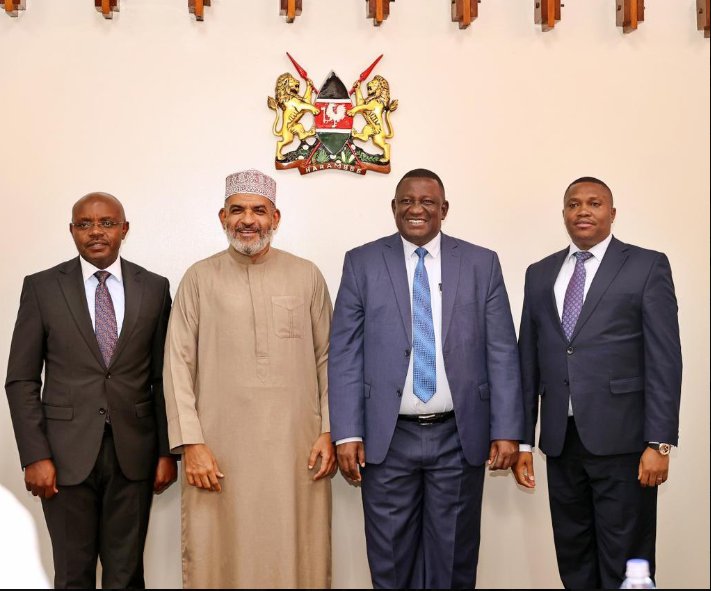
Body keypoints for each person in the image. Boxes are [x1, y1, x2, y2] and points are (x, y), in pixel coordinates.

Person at [329, 168, 523, 589]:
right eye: (407, 201)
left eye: (427, 202)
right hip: (385, 438)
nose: (416, 209)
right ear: (393, 207)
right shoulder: (362, 262)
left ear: (444, 209)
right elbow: (344, 352)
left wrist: (507, 430)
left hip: (459, 435)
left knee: (452, 562)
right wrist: (346, 433)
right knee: (390, 561)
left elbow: (502, 351)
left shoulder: (481, 263)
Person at [163, 169, 336, 589]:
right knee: (220, 553)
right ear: (222, 217)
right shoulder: (198, 278)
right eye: (237, 210)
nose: (248, 220)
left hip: (297, 449)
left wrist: (330, 430)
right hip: (219, 451)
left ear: (275, 218)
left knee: (297, 549)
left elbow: (330, 359)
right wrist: (191, 444)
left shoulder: (307, 275)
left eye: (259, 210)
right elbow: (177, 364)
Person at [514, 177, 682, 589]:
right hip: (561, 443)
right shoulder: (540, 273)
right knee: (574, 558)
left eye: (594, 203)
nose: (583, 211)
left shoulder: (646, 266)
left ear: (612, 213)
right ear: (564, 214)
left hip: (626, 445)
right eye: (574, 204)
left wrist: (660, 443)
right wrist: (522, 442)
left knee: (627, 560)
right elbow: (527, 362)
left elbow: (665, 360)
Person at [5, 192, 177, 589]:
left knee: (127, 576)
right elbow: (22, 379)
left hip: (134, 455)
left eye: (107, 223)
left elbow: (162, 378)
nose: (96, 232)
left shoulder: (154, 287)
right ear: (72, 231)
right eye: (84, 224)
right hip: (62, 458)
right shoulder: (42, 287)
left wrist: (167, 452)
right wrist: (35, 455)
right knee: (72, 576)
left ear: (124, 229)